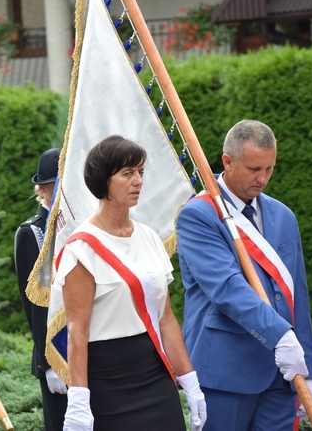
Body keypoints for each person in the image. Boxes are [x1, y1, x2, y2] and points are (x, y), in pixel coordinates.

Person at [55, 135, 206, 431]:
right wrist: (78, 400)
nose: (138, 181)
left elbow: (165, 318)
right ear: (103, 180)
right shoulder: (81, 249)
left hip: (154, 374)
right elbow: (77, 330)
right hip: (107, 380)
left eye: (140, 172)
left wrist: (190, 381)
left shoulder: (149, 237)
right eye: (127, 173)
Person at [177, 119, 312, 430]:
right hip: (226, 372)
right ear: (227, 162)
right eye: (254, 169)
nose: (263, 178)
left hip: (283, 373)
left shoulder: (283, 215)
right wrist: (281, 336)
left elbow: (297, 296)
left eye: (269, 168)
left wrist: (310, 369)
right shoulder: (198, 215)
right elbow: (227, 289)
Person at [14, 147, 67, 431]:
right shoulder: (31, 233)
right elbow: (33, 305)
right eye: (57, 185)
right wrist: (48, 363)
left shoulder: (80, 226)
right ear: (43, 189)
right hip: (54, 351)